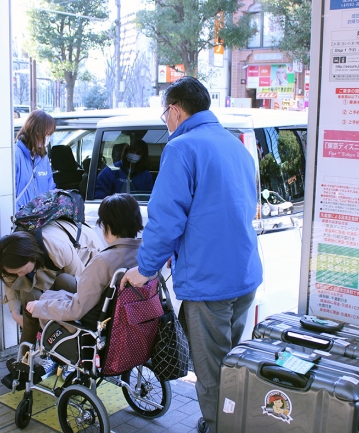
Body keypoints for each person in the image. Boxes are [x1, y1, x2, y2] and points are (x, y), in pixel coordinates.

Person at [120, 76, 262, 433]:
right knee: (230, 363)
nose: (165, 121)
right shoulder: (235, 146)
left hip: (208, 281)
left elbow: (166, 218)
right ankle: (231, 419)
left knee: (211, 370)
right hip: (244, 275)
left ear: (175, 110)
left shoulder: (182, 148)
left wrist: (145, 269)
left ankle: (218, 426)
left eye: (164, 113)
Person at [26, 193, 144, 328]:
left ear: (107, 226)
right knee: (63, 282)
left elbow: (77, 309)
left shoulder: (103, 261)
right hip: (128, 323)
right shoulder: (148, 256)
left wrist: (39, 307)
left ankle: (26, 349)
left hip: (91, 327)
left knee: (33, 300)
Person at [0, 220, 105, 347]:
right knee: (32, 298)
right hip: (47, 263)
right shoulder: (7, 258)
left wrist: (50, 309)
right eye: (14, 273)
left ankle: (65, 345)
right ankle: (26, 358)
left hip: (83, 251)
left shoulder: (57, 248)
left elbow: (81, 285)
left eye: (21, 271)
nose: (19, 275)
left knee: (64, 282)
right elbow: (11, 283)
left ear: (32, 257)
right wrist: (16, 314)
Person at [14, 109, 56, 210]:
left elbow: (50, 189)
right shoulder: (15, 154)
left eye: (50, 134)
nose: (47, 138)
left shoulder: (43, 158)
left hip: (39, 219)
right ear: (35, 131)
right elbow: (9, 193)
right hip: (20, 219)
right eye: (46, 134)